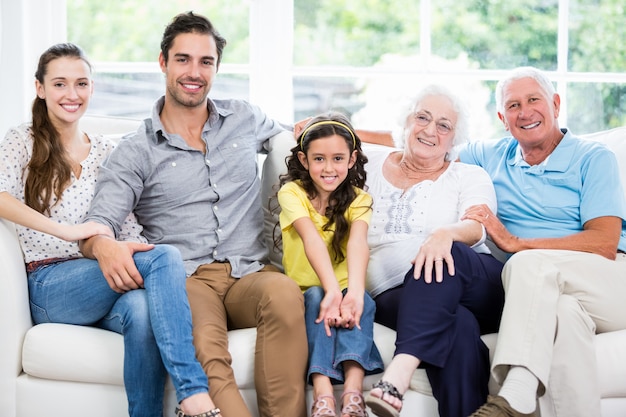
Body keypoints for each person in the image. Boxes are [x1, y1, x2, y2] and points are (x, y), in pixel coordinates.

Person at [80, 12, 308, 417]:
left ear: (217, 68)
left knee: (286, 295)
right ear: (163, 62)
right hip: (187, 278)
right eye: (183, 59)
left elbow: (303, 135)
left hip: (249, 273)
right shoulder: (136, 150)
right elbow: (100, 222)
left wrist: (394, 143)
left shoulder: (244, 118)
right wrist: (102, 246)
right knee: (204, 341)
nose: (194, 72)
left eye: (206, 62)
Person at [0, 43, 219, 417]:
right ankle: (193, 393)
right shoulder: (22, 140)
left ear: (92, 88)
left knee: (143, 310)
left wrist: (129, 251)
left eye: (82, 83)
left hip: (103, 278)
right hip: (51, 284)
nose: (72, 94)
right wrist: (66, 231)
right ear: (40, 88)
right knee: (165, 255)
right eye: (60, 84)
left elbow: (125, 218)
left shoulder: (105, 150)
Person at [460, 66, 626, 417]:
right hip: (551, 290)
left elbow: (604, 243)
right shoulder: (491, 156)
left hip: (611, 283)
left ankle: (512, 392)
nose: (525, 112)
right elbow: (424, 141)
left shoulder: (593, 158)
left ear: (555, 103)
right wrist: (333, 129)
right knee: (562, 315)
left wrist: (517, 243)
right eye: (514, 105)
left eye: (534, 99)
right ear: (503, 119)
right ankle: (530, 400)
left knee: (525, 262)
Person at [361, 85, 505, 417]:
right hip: (393, 294)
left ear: (454, 140)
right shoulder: (368, 166)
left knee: (445, 253)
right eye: (422, 117)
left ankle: (398, 373)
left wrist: (445, 234)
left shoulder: (467, 174)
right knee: (457, 326)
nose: (430, 130)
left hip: (473, 280)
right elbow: (328, 149)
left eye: (444, 125)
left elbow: (479, 224)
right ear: (405, 124)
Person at [276, 112, 384, 417]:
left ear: (352, 160)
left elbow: (357, 243)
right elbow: (310, 239)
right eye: (319, 159)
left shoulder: (359, 199)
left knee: (362, 300)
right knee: (316, 299)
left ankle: (353, 392)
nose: (328, 168)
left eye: (338, 158)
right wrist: (332, 293)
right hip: (308, 285)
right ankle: (322, 393)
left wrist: (351, 294)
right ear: (304, 159)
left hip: (344, 283)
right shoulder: (292, 193)